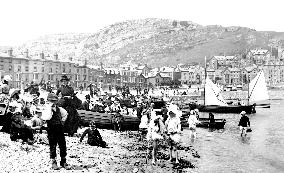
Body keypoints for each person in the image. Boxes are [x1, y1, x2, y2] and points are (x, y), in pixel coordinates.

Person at [41, 93, 68, 170]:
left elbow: (65, 113)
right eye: (51, 101)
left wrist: (62, 121)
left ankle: (63, 161)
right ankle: (53, 161)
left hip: (59, 127)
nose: (53, 102)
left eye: (55, 101)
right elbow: (47, 117)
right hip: (51, 128)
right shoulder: (46, 109)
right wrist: (49, 108)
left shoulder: (59, 109)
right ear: (48, 101)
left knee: (62, 144)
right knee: (53, 145)